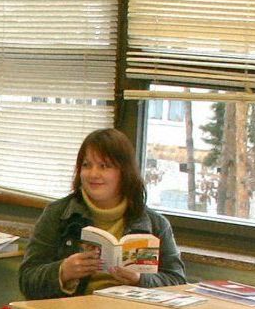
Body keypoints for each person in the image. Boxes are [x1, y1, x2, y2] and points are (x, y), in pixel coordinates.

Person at [20, 126, 187, 299]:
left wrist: (140, 280)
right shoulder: (58, 214)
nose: (93, 174)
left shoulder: (155, 224)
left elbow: (177, 281)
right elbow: (27, 280)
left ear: (124, 171)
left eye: (104, 166)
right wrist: (63, 272)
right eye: (86, 165)